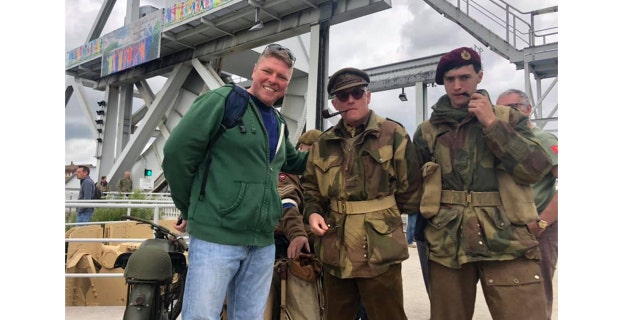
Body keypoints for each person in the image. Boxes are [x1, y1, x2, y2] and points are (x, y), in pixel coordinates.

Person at [162, 43, 308, 320]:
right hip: (217, 237)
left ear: (287, 83)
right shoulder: (223, 101)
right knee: (201, 316)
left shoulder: (278, 121)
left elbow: (292, 162)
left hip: (262, 242)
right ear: (254, 71)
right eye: (268, 71)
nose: (273, 80)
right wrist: (190, 207)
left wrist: (329, 148)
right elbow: (175, 155)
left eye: (282, 77)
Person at [412, 47, 552, 320]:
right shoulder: (428, 131)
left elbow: (534, 169)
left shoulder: (509, 119)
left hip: (507, 240)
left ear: (480, 77)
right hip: (447, 243)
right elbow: (413, 185)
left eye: (464, 77)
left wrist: (491, 123)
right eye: (450, 79)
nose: (457, 86)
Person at [302, 67, 423, 320]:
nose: (350, 100)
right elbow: (311, 188)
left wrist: (381, 216)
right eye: (342, 96)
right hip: (336, 247)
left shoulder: (393, 134)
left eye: (357, 93)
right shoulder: (323, 143)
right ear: (335, 103)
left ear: (367, 96)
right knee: (336, 315)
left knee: (387, 314)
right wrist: (313, 213)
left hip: (379, 247)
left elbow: (410, 189)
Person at [497, 88, 558, 320]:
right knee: (514, 296)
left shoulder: (543, 140)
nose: (507, 115)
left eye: (513, 109)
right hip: (511, 231)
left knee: (538, 295)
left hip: (539, 230)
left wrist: (541, 223)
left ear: (528, 109)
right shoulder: (505, 145)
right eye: (501, 110)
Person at [275, 129, 322, 259]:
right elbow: (287, 203)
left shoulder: (321, 177)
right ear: (301, 147)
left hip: (308, 226)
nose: (312, 157)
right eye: (310, 150)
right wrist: (297, 233)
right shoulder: (287, 173)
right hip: (286, 231)